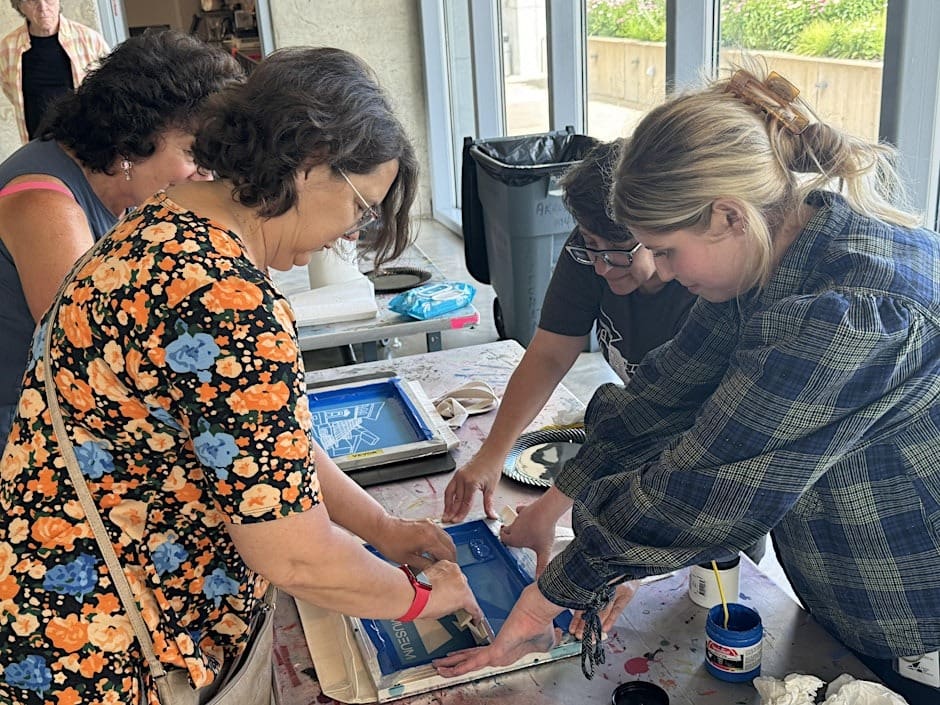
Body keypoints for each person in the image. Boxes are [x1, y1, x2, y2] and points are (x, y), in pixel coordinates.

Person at [433, 65, 940, 705]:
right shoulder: (768, 247)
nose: (662, 273)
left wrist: (555, 592)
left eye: (665, 251)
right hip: (835, 569)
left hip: (910, 600)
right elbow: (657, 399)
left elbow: (709, 487)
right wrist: (565, 496)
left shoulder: (855, 312)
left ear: (726, 214)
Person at [0, 46, 483, 705]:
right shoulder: (228, 301)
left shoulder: (158, 222)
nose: (349, 235)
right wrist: (422, 596)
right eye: (361, 207)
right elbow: (294, 552)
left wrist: (384, 528)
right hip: (118, 656)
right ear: (313, 164)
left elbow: (258, 450)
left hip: (52, 615)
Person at [0, 29, 244, 455]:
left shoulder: (125, 187)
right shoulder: (46, 205)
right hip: (23, 432)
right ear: (135, 135)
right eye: (194, 155)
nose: (206, 175)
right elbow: (95, 354)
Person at [442, 139, 696, 524]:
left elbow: (662, 421)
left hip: (704, 460)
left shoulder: (701, 291)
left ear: (660, 233)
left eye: (619, 252)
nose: (601, 267)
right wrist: (492, 453)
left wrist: (549, 510)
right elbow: (549, 354)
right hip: (636, 439)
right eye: (591, 245)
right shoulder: (590, 250)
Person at [0, 0, 109, 143]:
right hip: (38, 143)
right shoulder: (8, 48)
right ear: (20, 6)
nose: (43, 8)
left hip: (86, 140)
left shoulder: (90, 40)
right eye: (33, 1)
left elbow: (109, 89)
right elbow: (10, 90)